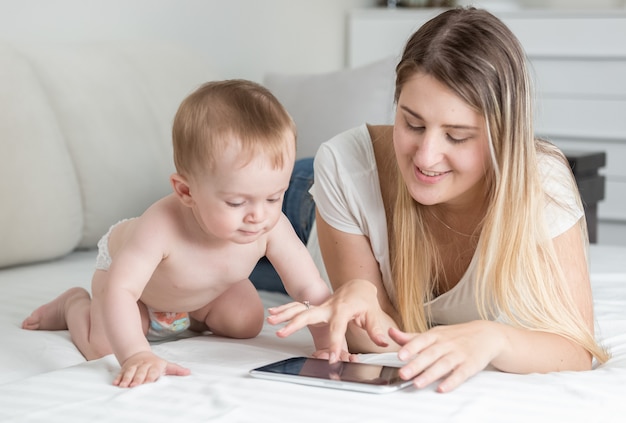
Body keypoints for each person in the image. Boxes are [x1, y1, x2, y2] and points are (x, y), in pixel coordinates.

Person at [268, 7, 610, 393]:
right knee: (219, 252)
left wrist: (493, 338)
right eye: (412, 124)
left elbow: (577, 350)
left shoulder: (541, 185)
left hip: (313, 223)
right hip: (296, 200)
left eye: (458, 136)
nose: (426, 156)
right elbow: (363, 335)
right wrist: (363, 303)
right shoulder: (347, 166)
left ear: (503, 137)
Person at [21, 79, 337, 388]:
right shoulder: (160, 226)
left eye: (273, 196)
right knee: (103, 346)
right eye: (236, 202)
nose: (259, 215)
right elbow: (123, 290)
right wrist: (136, 354)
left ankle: (190, 316)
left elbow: (309, 286)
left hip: (202, 294)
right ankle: (74, 304)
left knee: (247, 323)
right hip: (136, 291)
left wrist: (327, 343)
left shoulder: (271, 224)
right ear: (186, 191)